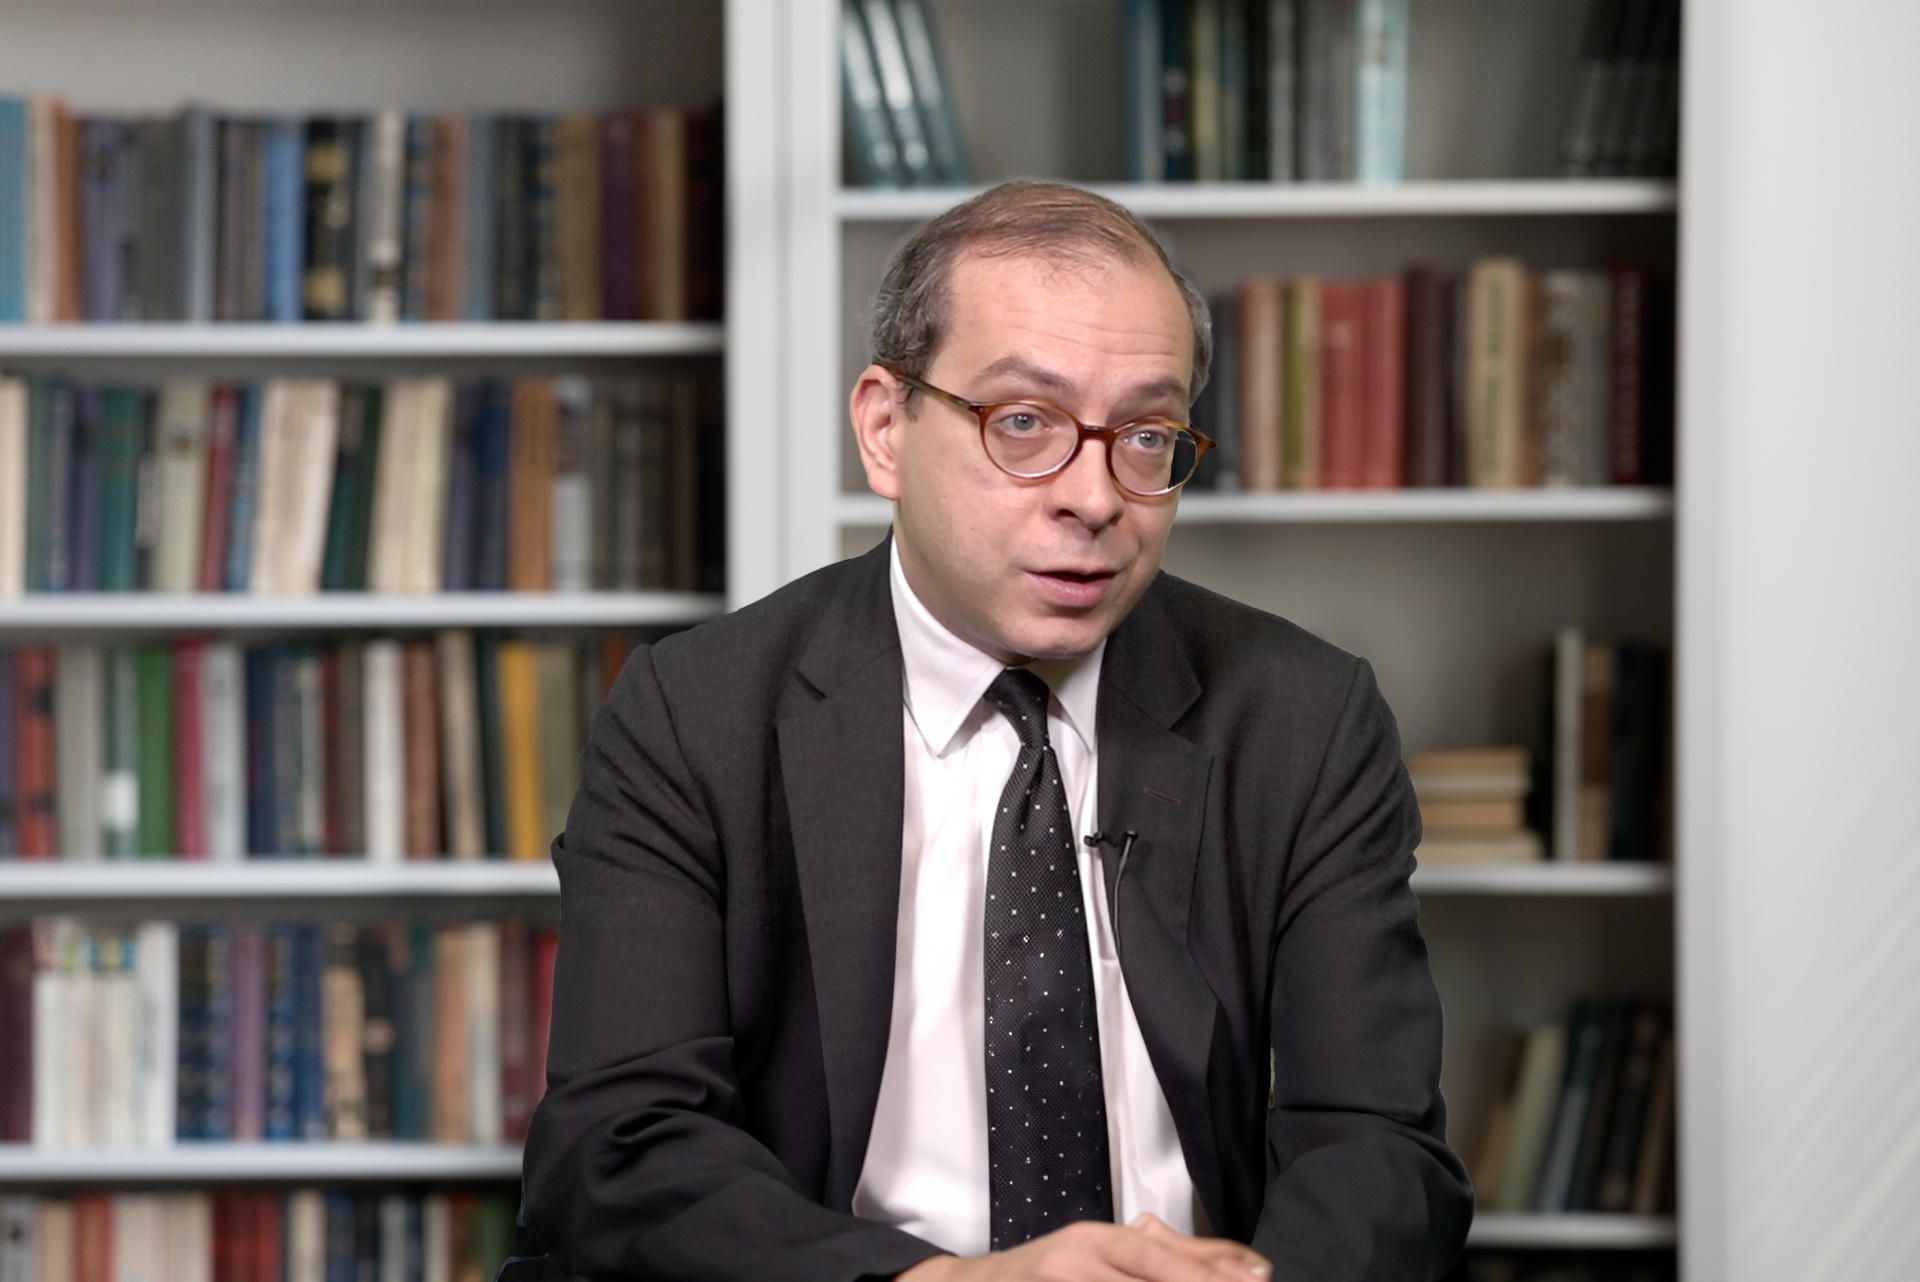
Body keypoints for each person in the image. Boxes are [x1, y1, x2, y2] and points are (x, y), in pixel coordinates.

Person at [521, 180, 1473, 1282]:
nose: (1095, 498)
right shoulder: (693, 715)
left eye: (1146, 435)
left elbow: (1380, 1148)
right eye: (1024, 422)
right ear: (886, 430)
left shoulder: (1303, 719)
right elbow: (619, 1147)